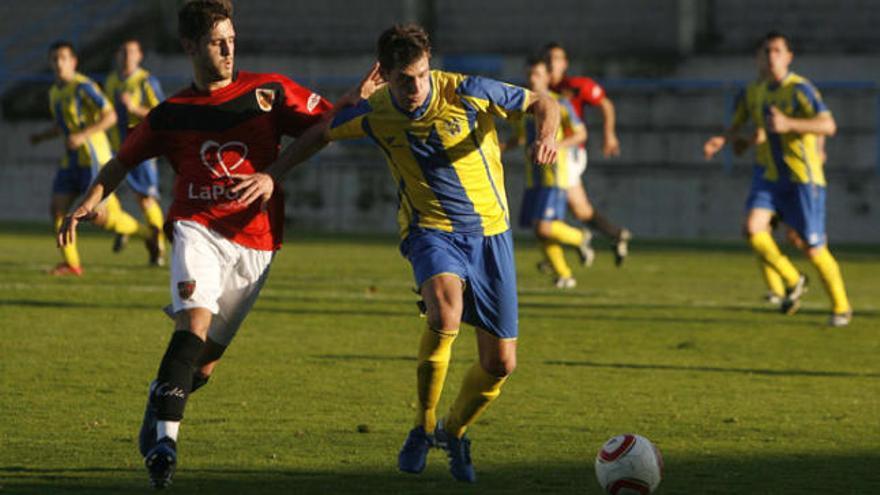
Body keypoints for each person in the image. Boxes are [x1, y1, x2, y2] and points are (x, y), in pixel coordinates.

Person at [232, 23, 560, 483]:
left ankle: (453, 431)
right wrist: (274, 174)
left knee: (500, 364)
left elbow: (545, 103)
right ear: (385, 75)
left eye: (422, 75)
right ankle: (422, 428)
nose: (416, 87)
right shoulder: (378, 110)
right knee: (444, 315)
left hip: (491, 235)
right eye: (405, 79)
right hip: (430, 231)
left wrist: (547, 134)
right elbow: (321, 133)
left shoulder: (466, 91)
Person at [56, 1, 366, 487]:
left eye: (232, 40)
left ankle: (163, 394)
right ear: (190, 47)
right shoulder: (172, 113)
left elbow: (326, 127)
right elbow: (120, 162)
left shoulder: (269, 92)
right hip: (196, 227)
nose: (228, 50)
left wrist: (352, 104)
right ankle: (165, 444)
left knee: (202, 365)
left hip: (257, 243)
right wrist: (86, 201)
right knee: (193, 323)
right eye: (217, 42)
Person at [734, 31, 851, 326]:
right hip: (772, 178)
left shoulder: (801, 89)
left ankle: (841, 306)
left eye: (777, 51)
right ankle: (792, 278)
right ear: (759, 58)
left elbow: (828, 124)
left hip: (803, 179)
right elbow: (761, 130)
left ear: (788, 57)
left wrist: (790, 124)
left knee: (811, 247)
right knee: (752, 228)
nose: (771, 57)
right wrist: (733, 142)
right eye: (766, 52)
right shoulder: (759, 92)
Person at [29, 40, 156, 275]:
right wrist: (41, 136)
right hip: (72, 160)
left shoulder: (84, 87)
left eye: (63, 58)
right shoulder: (54, 92)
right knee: (58, 209)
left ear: (73, 62)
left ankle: (145, 233)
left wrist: (82, 135)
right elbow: (62, 125)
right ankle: (72, 264)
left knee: (98, 216)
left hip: (95, 158)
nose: (58, 63)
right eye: (54, 59)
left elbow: (109, 116)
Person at [543, 42, 631, 266]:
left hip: (570, 152)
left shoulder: (574, 85)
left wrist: (609, 135)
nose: (551, 62)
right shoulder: (538, 88)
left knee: (553, 205)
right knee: (579, 210)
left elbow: (605, 104)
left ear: (565, 63)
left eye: (556, 58)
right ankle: (615, 234)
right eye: (548, 58)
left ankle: (562, 249)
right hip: (552, 151)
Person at [508, 56, 591, 288]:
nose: (532, 79)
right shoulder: (522, 105)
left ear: (547, 77)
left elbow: (580, 134)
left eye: (536, 74)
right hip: (531, 175)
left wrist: (556, 145)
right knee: (539, 229)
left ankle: (580, 237)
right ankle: (564, 275)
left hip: (553, 174)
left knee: (544, 225)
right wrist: (502, 147)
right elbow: (520, 138)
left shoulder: (559, 104)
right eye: (529, 74)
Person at [104, 38, 167, 265]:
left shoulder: (146, 81)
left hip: (140, 148)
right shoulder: (111, 80)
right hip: (115, 148)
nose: (126, 56)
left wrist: (134, 108)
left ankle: (156, 243)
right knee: (105, 197)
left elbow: (163, 114)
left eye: (131, 52)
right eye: (122, 51)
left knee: (145, 199)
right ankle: (127, 227)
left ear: (140, 56)